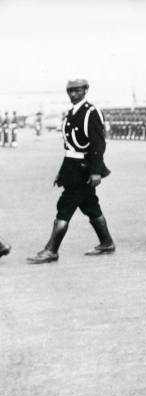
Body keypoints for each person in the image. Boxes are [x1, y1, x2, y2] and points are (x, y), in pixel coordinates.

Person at [27, 79, 115, 264]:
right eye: (70, 91)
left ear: (85, 90)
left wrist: (96, 171)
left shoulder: (91, 112)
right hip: (72, 168)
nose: (73, 94)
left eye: (77, 90)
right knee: (90, 206)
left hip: (84, 169)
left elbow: (98, 144)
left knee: (65, 206)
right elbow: (69, 147)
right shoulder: (71, 114)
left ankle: (51, 250)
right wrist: (62, 172)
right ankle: (106, 242)